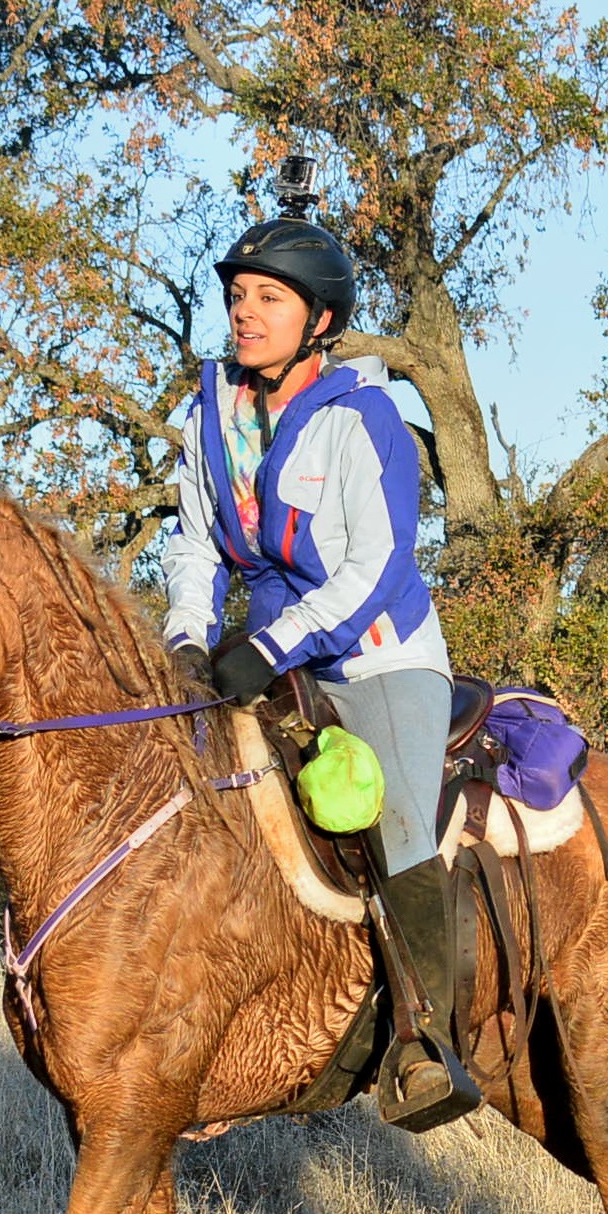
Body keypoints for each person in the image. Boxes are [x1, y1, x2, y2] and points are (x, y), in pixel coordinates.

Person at [161, 199, 478, 1128]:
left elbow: (376, 568)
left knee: (394, 826)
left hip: (377, 660)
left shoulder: (364, 417)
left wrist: (266, 645)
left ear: (322, 322)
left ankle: (425, 1044)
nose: (245, 312)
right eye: (238, 295)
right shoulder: (208, 413)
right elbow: (193, 545)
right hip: (261, 663)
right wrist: (188, 636)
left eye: (269, 297)